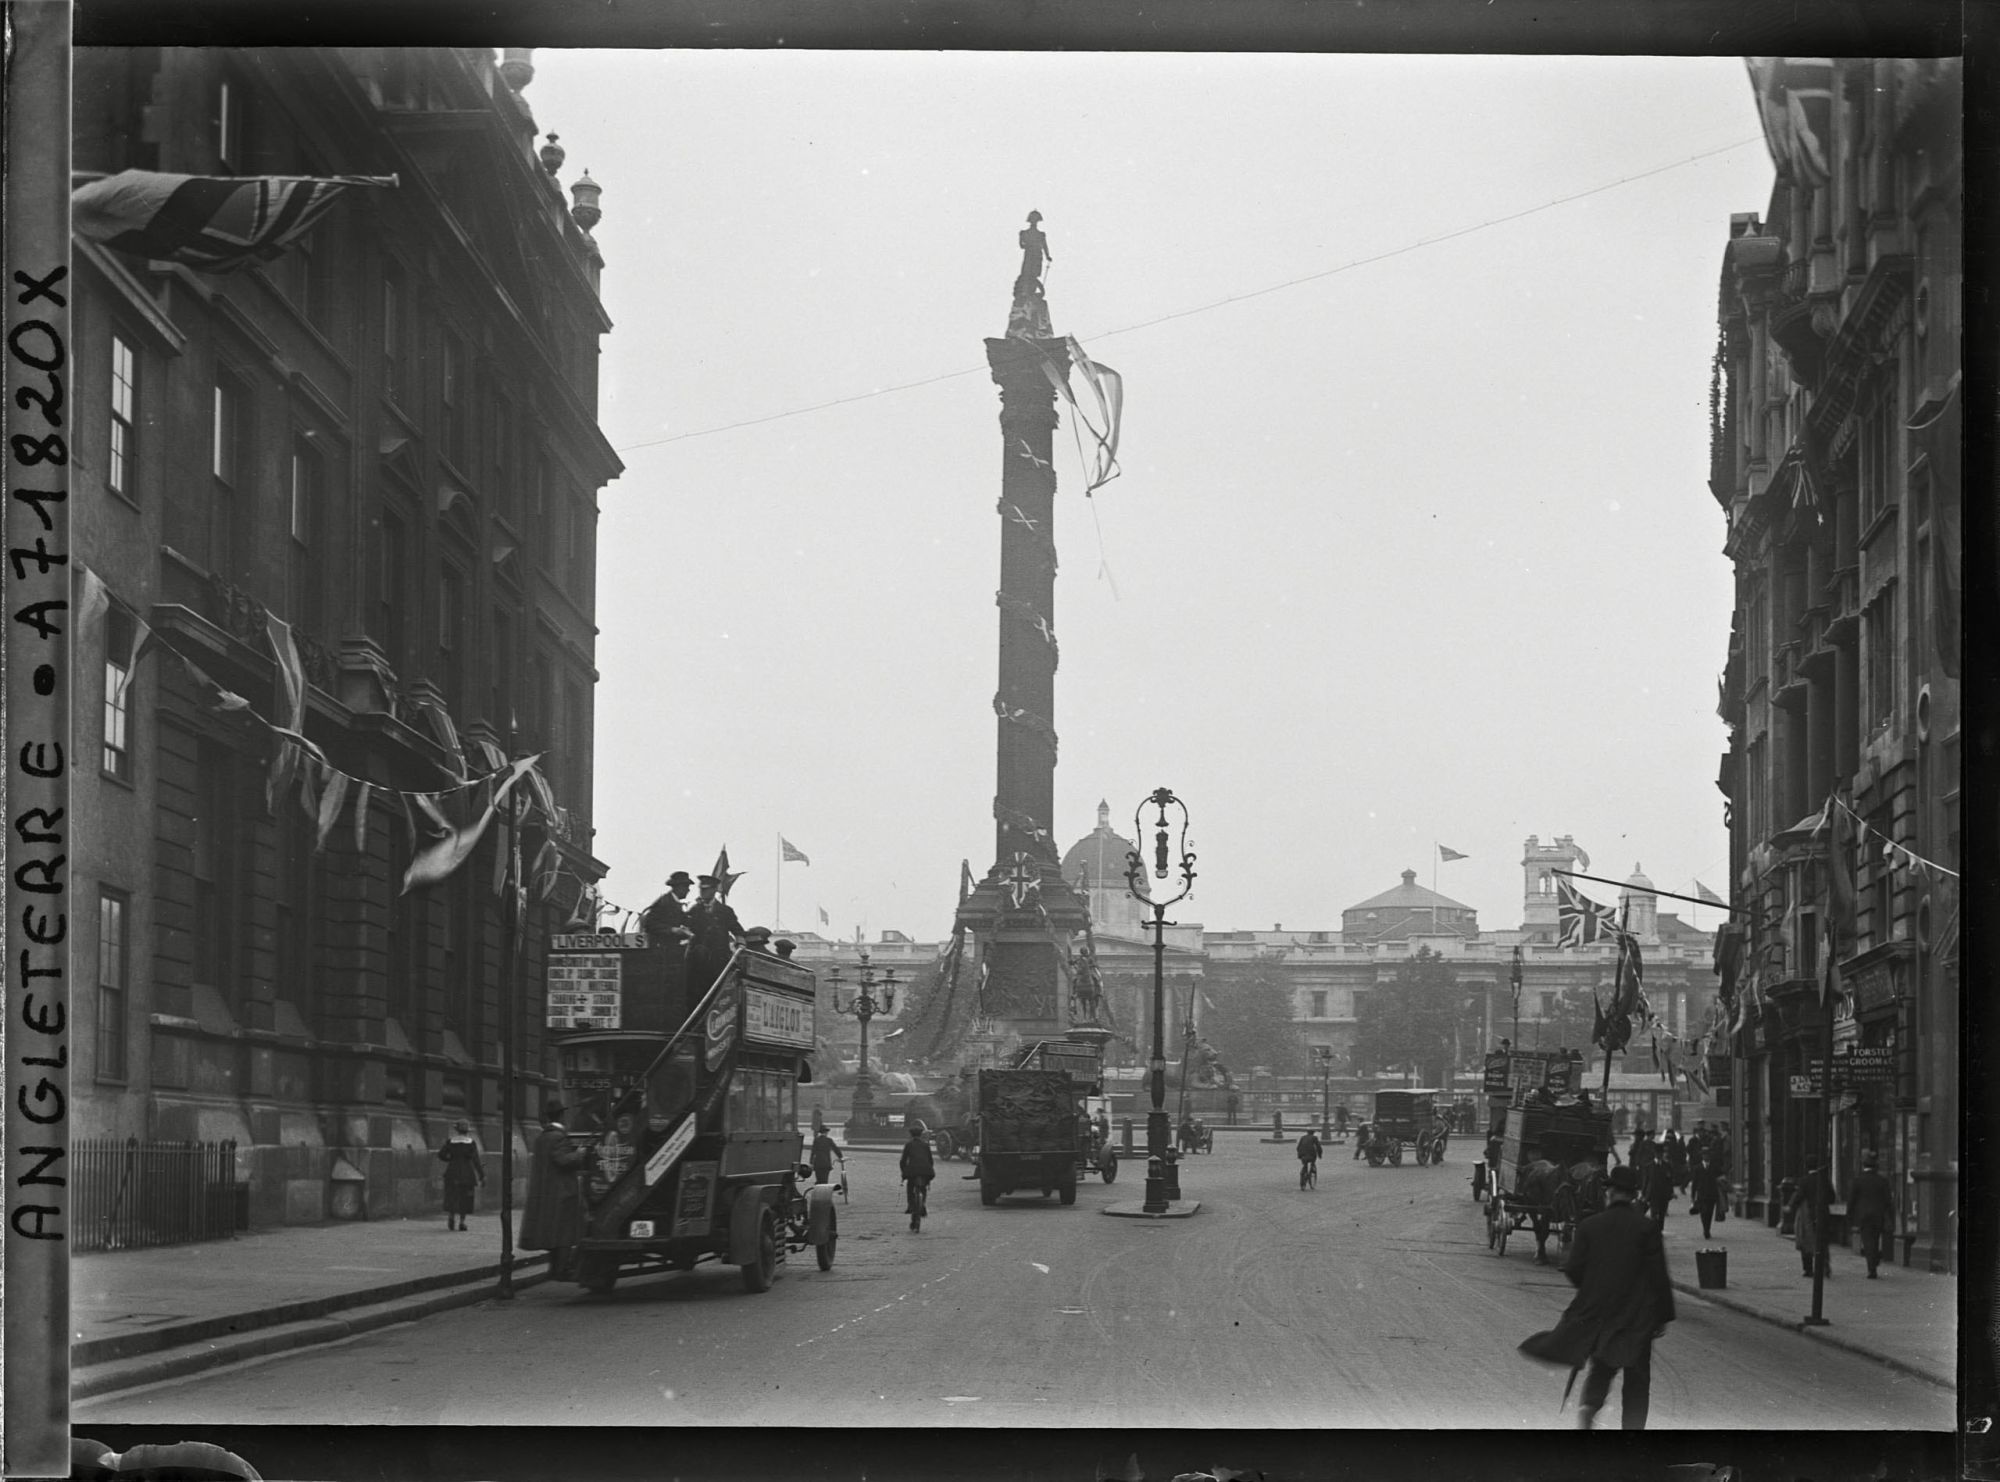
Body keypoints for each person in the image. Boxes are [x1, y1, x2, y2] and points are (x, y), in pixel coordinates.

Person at [1518, 1164, 1675, 1430]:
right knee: (1637, 1377)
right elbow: (1658, 1275)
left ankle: (1588, 1408)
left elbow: (1573, 1269)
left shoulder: (1590, 1226)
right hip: (1637, 1315)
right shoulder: (1647, 1228)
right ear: (1633, 1195)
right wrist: (1663, 1316)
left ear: (1610, 1193)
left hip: (1601, 1311)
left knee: (1602, 1367)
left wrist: (1593, 1289)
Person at [521, 1102, 588, 1278]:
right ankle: (562, 1269)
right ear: (561, 1116)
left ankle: (554, 1268)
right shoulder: (559, 1137)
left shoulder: (542, 1137)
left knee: (553, 1233)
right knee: (565, 1233)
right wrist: (579, 1154)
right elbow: (563, 1160)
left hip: (547, 1191)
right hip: (563, 1192)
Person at [1847, 1151, 1894, 1278]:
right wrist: (1889, 1215)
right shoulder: (1882, 1181)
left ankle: (1871, 1267)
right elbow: (1888, 1201)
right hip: (1878, 1215)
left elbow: (1851, 1200)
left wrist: (1849, 1216)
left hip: (1863, 1216)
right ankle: (1874, 1259)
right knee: (1875, 1239)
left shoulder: (1858, 1181)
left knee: (1867, 1241)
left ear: (1863, 1165)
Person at [437, 1119, 484, 1232]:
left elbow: (441, 1154)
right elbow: (476, 1160)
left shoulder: (450, 1141)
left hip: (452, 1172)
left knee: (452, 1195)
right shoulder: (471, 1143)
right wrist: (482, 1175)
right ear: (467, 1131)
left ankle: (451, 1216)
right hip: (467, 1173)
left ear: (457, 1130)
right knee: (465, 1197)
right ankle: (462, 1222)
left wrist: (450, 1159)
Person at [1788, 1164, 1833, 1279]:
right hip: (1822, 1214)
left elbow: (1799, 1196)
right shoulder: (1824, 1180)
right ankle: (1825, 1266)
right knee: (1822, 1241)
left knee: (1805, 1241)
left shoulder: (1804, 1181)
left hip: (1808, 1215)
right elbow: (1832, 1197)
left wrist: (1791, 1206)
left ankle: (1808, 1269)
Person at [641, 871, 696, 944]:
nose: (688, 890)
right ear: (679, 887)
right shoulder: (664, 902)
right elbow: (649, 924)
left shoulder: (674, 903)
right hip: (660, 946)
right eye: (686, 887)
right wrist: (672, 930)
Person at [900, 1120, 935, 1231]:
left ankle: (911, 1205)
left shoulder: (908, 1145)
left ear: (911, 1135)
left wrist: (903, 1172)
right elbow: (930, 1160)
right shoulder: (925, 1145)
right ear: (920, 1135)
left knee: (910, 1187)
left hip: (913, 1172)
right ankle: (922, 1204)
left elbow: (903, 1161)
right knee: (923, 1188)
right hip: (926, 1171)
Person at [1688, 1147, 1724, 1239]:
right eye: (1704, 1154)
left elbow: (1721, 1179)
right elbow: (1694, 1183)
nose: (1706, 1156)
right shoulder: (1697, 1168)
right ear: (1702, 1156)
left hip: (1712, 1194)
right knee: (1703, 1212)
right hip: (1702, 1194)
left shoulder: (1715, 1167)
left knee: (1709, 1212)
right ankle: (1705, 1229)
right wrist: (1692, 1196)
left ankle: (1707, 1229)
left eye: (1707, 1154)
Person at [1642, 1152, 1675, 1226]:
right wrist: (1643, 1193)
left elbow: (1670, 1180)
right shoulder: (1649, 1166)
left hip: (1663, 1193)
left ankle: (1660, 1228)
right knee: (1654, 1212)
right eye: (1658, 1154)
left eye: (1660, 1154)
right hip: (1653, 1193)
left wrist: (1671, 1192)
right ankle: (1653, 1229)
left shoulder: (1667, 1165)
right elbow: (1646, 1180)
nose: (1659, 1155)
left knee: (1662, 1214)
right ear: (1655, 1154)